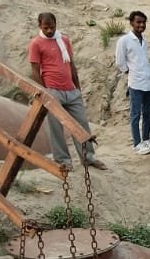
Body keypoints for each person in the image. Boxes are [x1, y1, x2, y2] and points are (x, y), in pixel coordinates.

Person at [28, 12, 105, 169]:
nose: (49, 30)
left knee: (81, 125)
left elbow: (71, 64)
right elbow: (35, 70)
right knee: (56, 127)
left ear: (56, 24)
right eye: (46, 27)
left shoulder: (64, 40)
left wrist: (77, 88)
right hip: (52, 90)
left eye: (52, 27)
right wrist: (44, 91)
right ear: (39, 26)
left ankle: (88, 157)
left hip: (70, 89)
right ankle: (63, 160)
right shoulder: (36, 43)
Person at [115, 10, 150, 154]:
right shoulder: (124, 40)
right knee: (135, 114)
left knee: (148, 113)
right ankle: (137, 144)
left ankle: (146, 140)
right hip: (136, 83)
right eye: (138, 22)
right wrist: (130, 72)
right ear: (131, 23)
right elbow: (120, 62)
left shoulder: (144, 40)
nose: (141, 25)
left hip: (149, 82)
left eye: (144, 22)